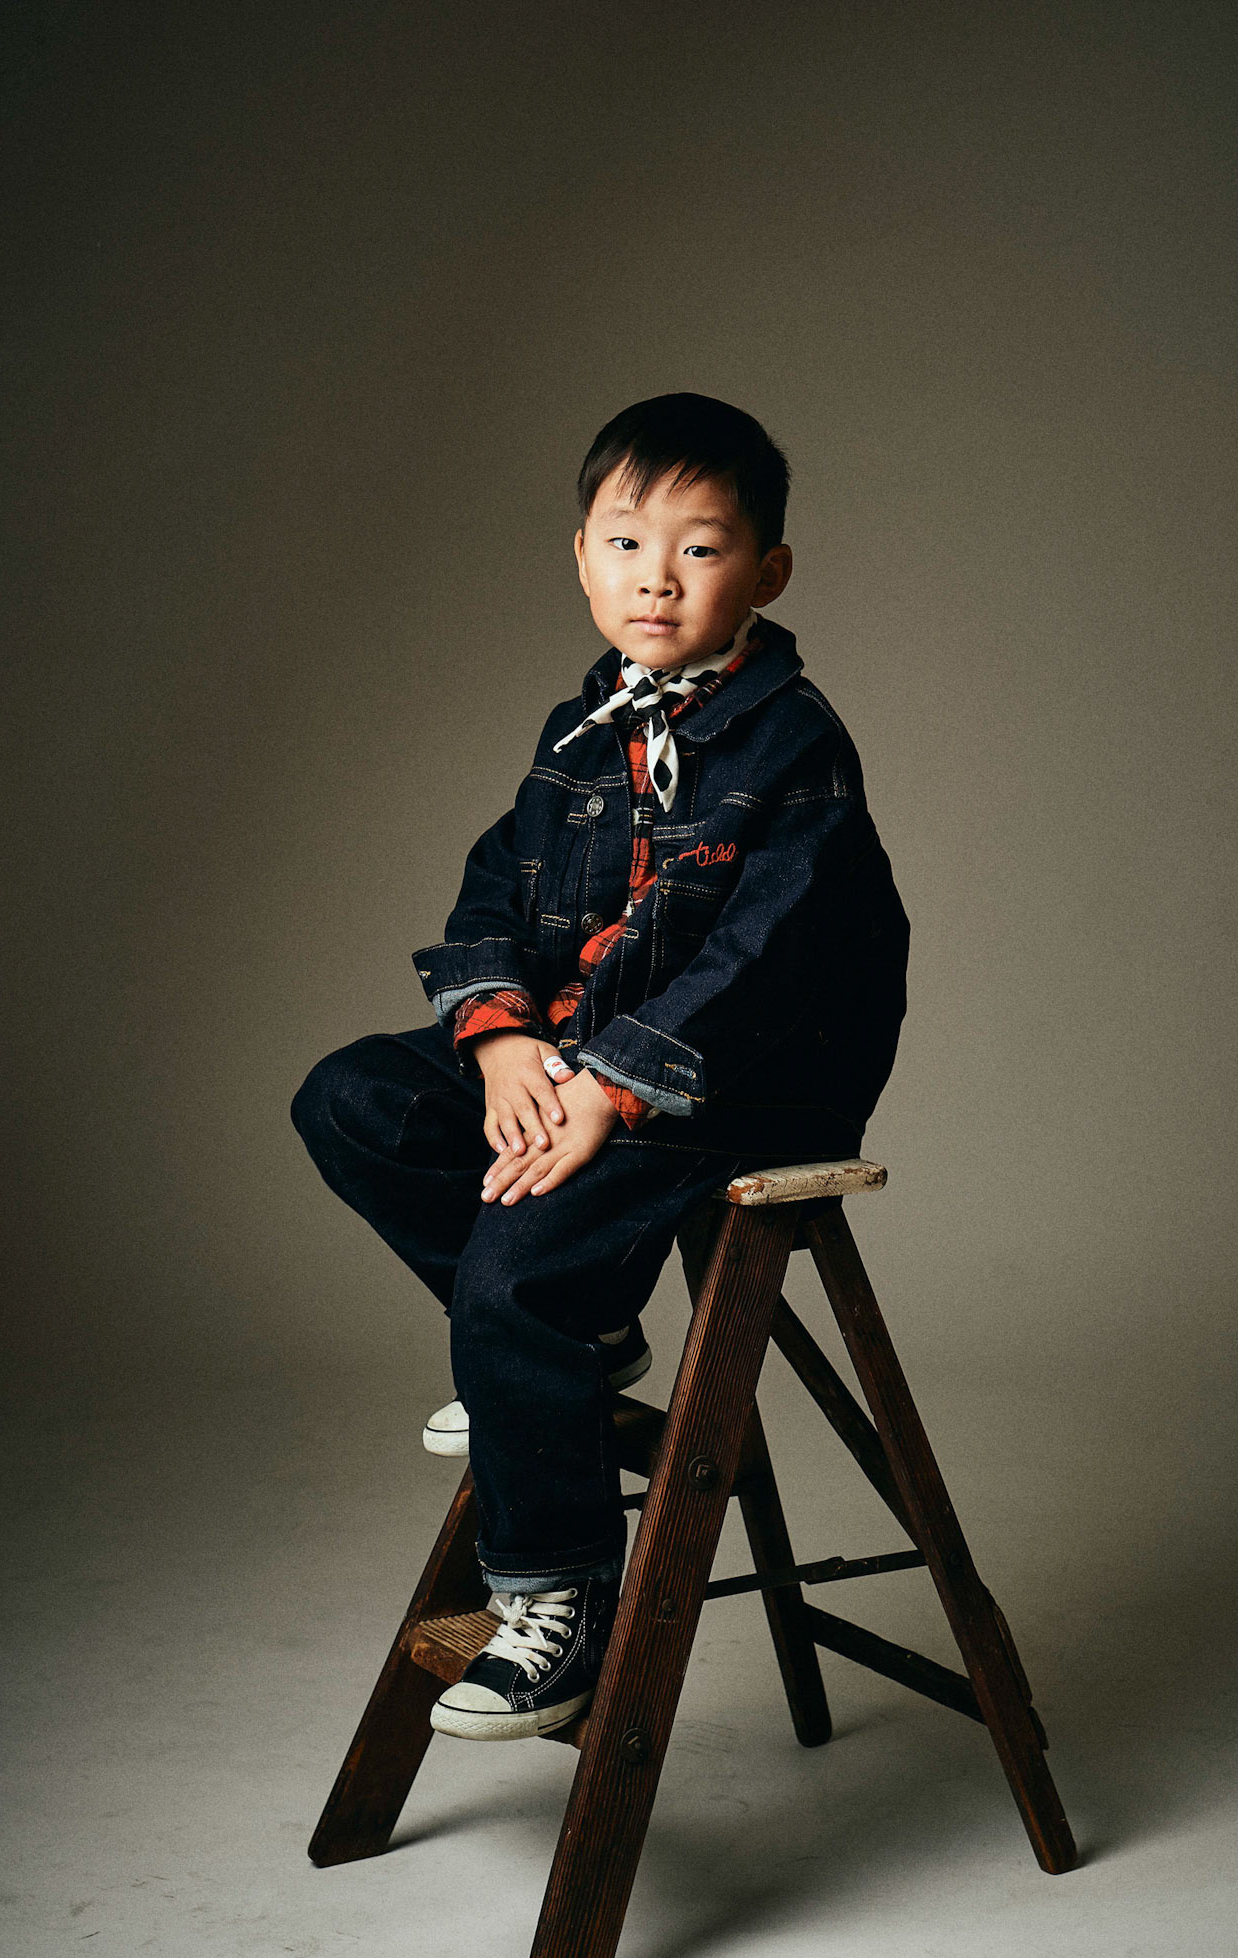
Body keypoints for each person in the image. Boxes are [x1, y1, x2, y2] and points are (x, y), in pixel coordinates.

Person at [292, 392, 909, 1741]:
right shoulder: (582, 730)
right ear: (582, 558)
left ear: (767, 573)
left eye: (700, 547)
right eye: (627, 544)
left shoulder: (795, 743)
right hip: (576, 1050)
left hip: (736, 1086)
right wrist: (506, 1039)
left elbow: (765, 956)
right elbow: (494, 887)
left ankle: (557, 1603)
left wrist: (610, 1086)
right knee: (353, 1097)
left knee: (511, 1282)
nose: (657, 578)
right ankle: (569, 1342)